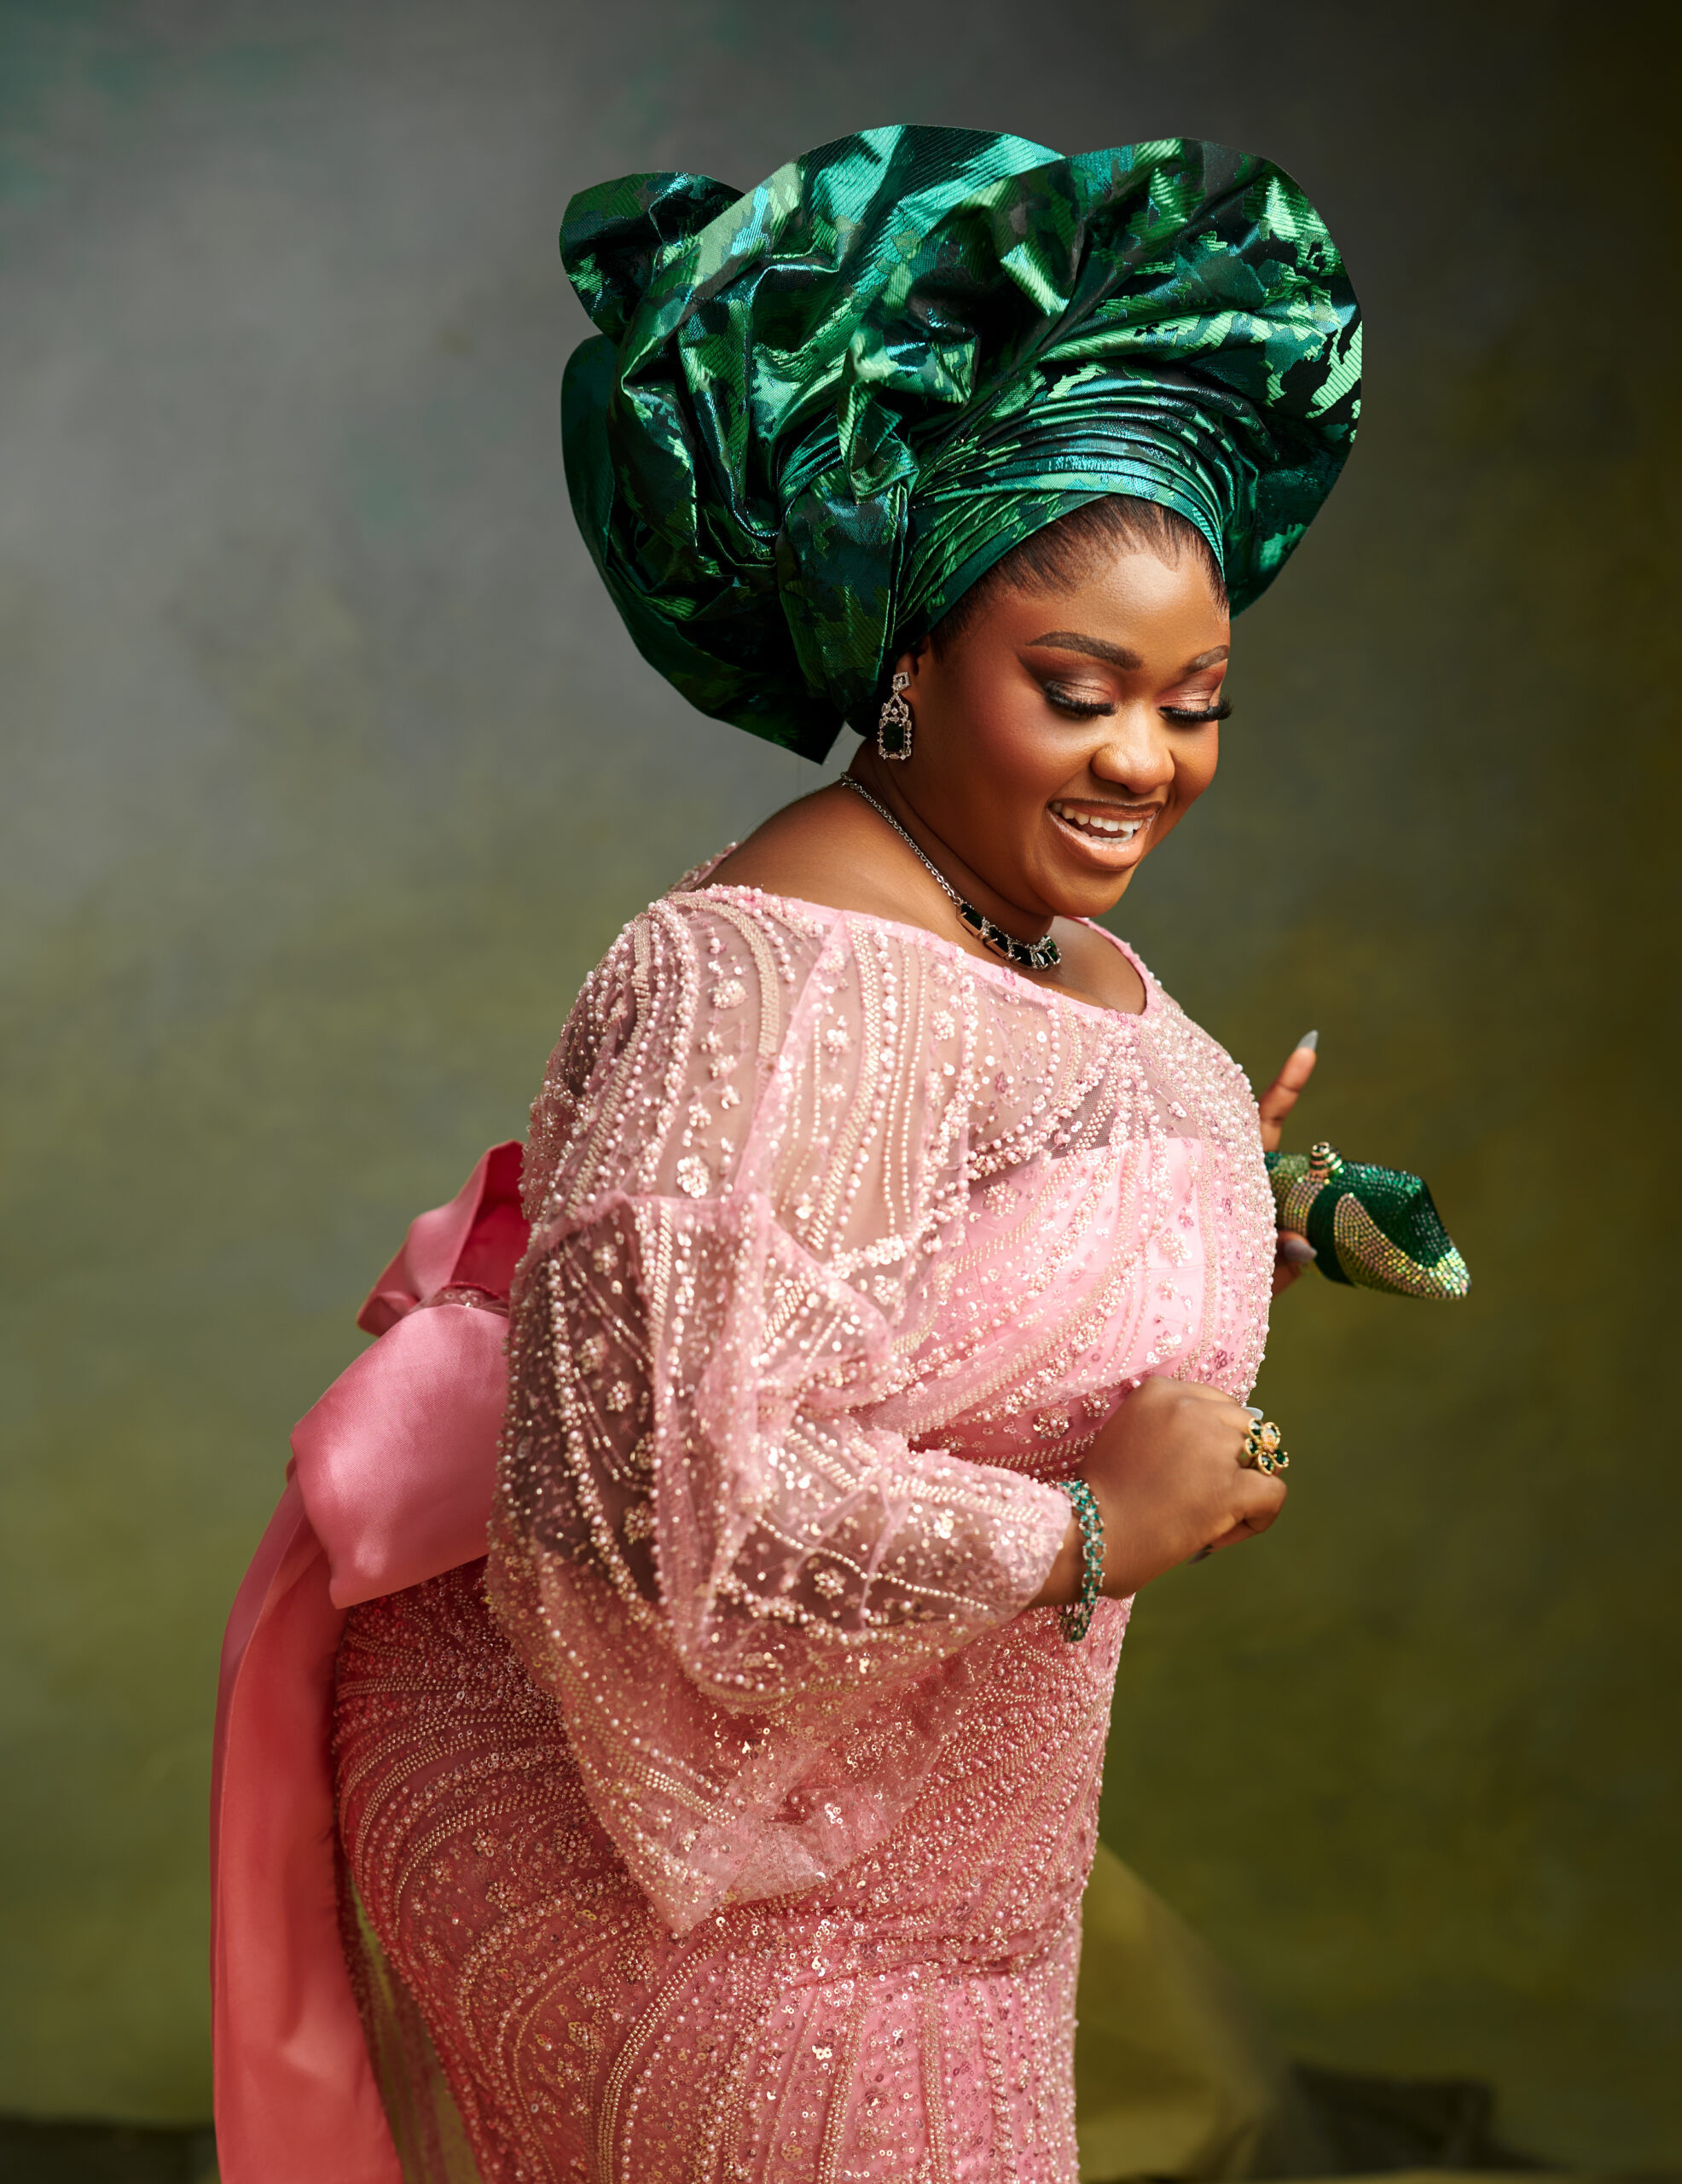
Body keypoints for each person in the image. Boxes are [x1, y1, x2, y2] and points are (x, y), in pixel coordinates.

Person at [212, 125, 1360, 2184]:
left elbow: (923, 1261)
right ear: (907, 661)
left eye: (1192, 701)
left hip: (910, 1867)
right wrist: (1090, 1525)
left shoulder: (1021, 924)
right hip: (677, 1865)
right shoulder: (767, 972)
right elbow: (683, 1505)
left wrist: (1225, 1209)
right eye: (1077, 692)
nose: (1143, 758)